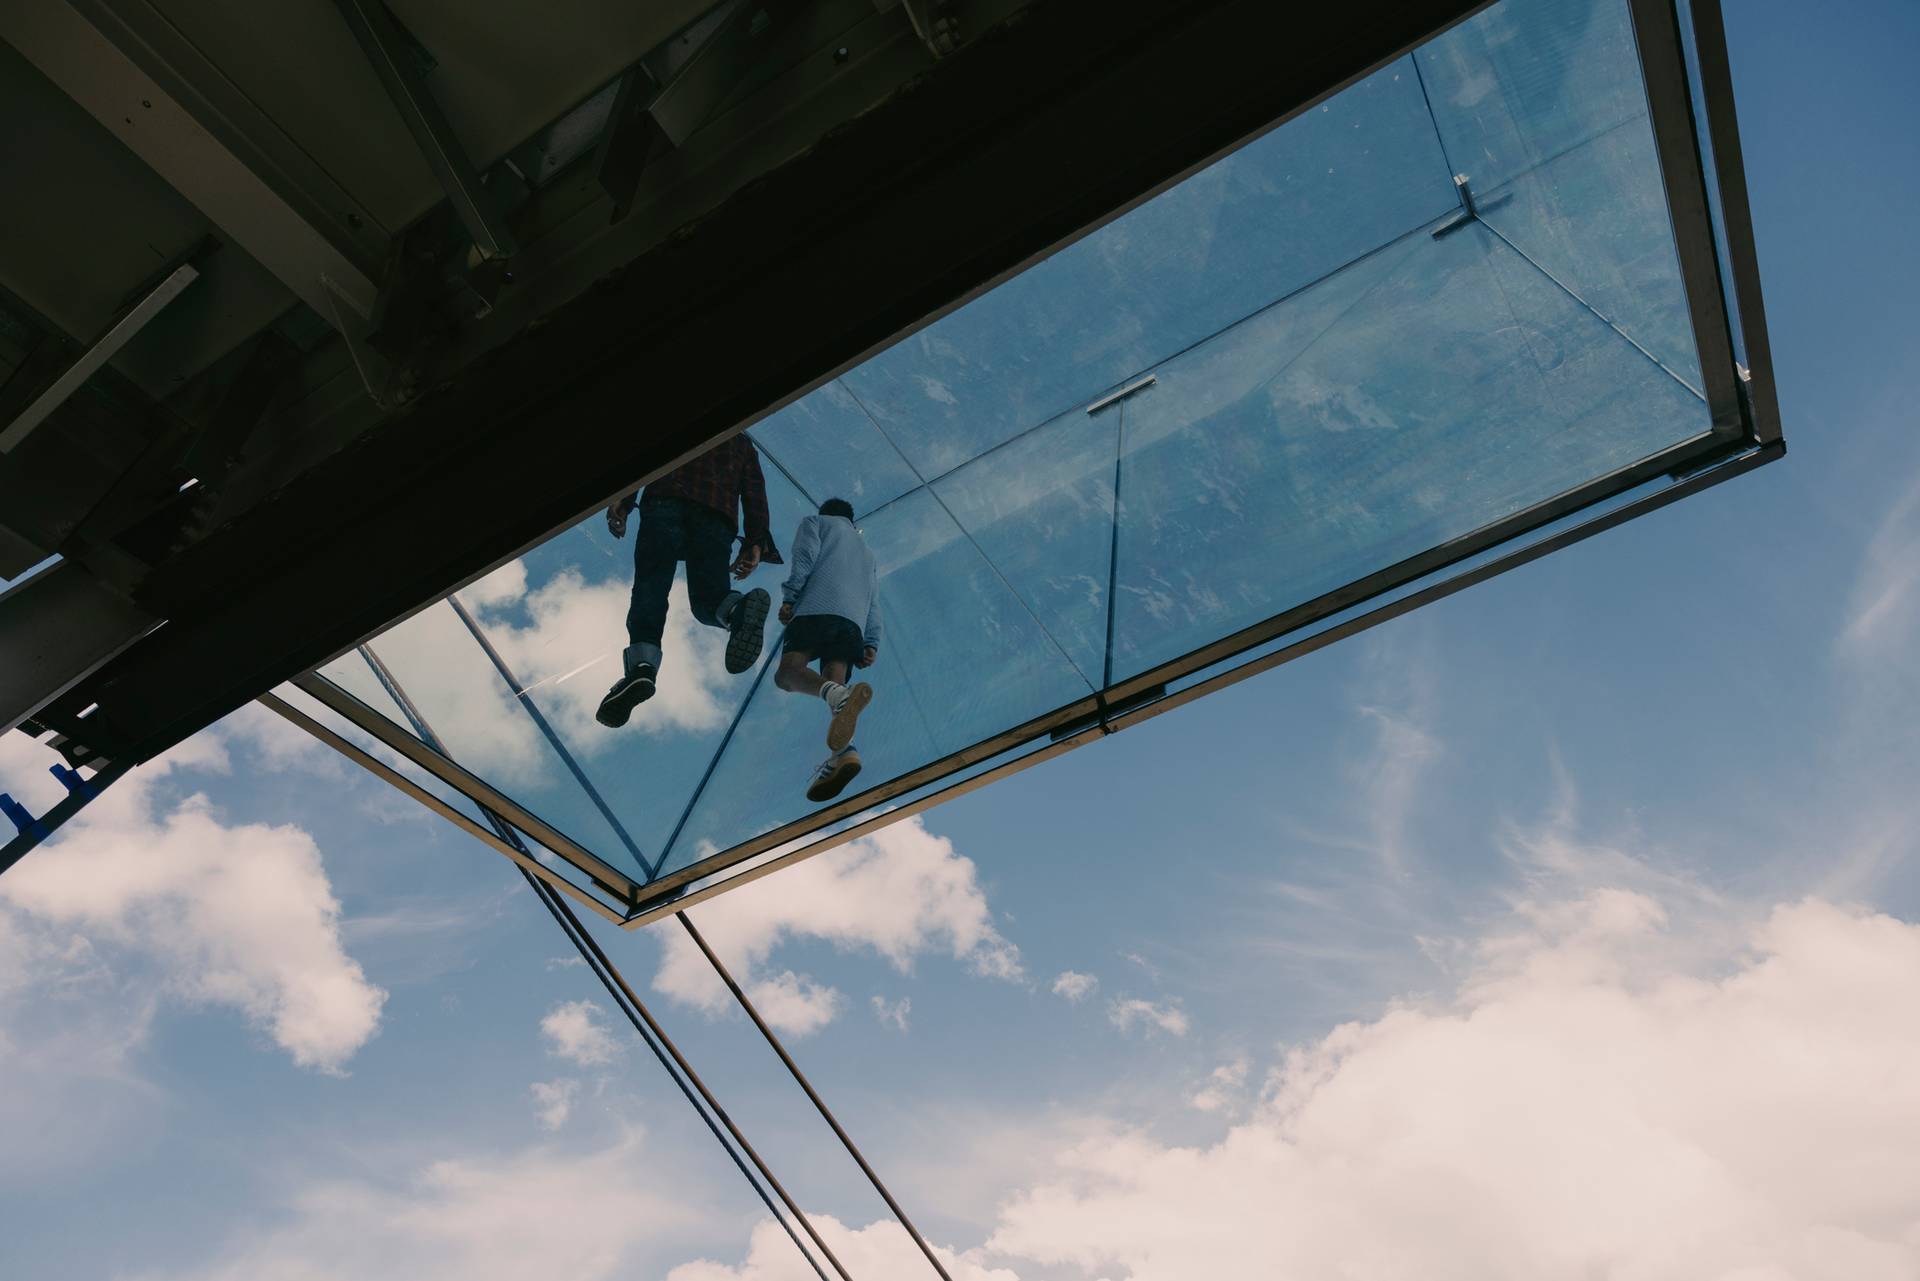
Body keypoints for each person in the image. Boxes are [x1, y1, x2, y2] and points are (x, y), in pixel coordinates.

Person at [596, 436, 783, 728]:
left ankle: (643, 666)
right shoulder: (742, 443)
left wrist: (626, 496)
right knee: (708, 598)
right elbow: (755, 494)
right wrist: (755, 543)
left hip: (666, 501)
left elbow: (648, 454)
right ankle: (737, 610)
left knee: (651, 585)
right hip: (716, 517)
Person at [775, 498, 882, 802]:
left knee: (787, 674)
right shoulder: (868, 554)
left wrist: (791, 597)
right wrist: (871, 641)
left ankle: (839, 700)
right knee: (834, 689)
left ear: (826, 513)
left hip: (816, 610)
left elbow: (805, 557)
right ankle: (844, 753)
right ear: (852, 520)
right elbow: (874, 599)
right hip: (852, 624)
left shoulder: (816, 523)